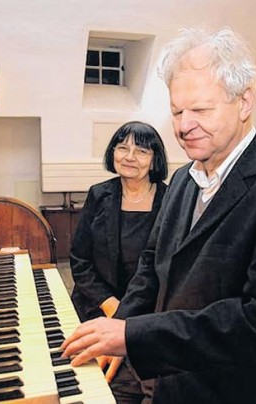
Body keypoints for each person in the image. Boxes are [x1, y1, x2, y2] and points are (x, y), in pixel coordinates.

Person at [62, 26, 256, 404]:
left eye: (200, 109)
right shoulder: (185, 177)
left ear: (244, 102)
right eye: (176, 111)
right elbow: (152, 267)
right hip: (170, 378)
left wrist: (133, 336)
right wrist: (120, 326)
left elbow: (251, 322)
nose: (184, 125)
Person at [70, 121, 168, 393]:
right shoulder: (99, 195)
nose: (129, 157)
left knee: (127, 386)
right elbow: (79, 260)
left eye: (141, 151)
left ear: (155, 159)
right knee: (84, 383)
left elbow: (164, 270)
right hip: (95, 306)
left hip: (146, 314)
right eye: (122, 147)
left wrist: (127, 317)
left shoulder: (170, 200)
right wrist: (110, 304)